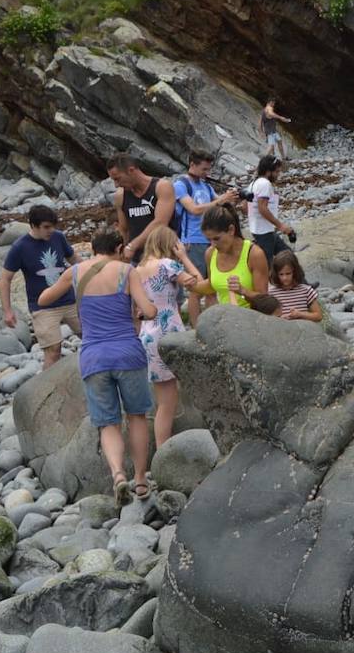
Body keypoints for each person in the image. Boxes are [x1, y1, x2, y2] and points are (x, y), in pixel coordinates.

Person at [38, 228, 158, 504]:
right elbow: (149, 311)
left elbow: (44, 299)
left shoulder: (77, 271)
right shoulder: (127, 271)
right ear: (118, 247)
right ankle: (140, 480)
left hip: (93, 356)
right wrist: (144, 310)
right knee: (137, 416)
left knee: (108, 424)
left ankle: (117, 474)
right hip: (127, 352)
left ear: (93, 249)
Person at [132, 227, 197, 448]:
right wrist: (184, 257)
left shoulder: (137, 270)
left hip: (147, 334)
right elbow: (196, 281)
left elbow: (135, 310)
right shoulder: (168, 265)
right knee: (171, 401)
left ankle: (163, 449)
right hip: (169, 330)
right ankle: (164, 451)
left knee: (164, 402)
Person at [0, 205, 81, 369]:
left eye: (53, 226)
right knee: (53, 351)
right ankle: (46, 391)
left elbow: (75, 261)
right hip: (42, 307)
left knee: (94, 336)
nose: (51, 230)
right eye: (46, 227)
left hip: (70, 300)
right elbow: (4, 280)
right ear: (34, 225)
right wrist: (8, 311)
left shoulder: (58, 237)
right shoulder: (19, 247)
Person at [174, 152, 239, 325]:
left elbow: (219, 204)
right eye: (204, 169)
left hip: (211, 240)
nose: (206, 173)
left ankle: (212, 327)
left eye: (208, 169)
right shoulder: (181, 185)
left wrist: (230, 199)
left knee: (211, 287)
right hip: (193, 241)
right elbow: (193, 209)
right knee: (196, 288)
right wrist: (221, 200)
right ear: (192, 164)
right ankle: (196, 328)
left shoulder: (205, 185)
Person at [107, 153, 182, 265]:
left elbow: (160, 222)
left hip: (165, 258)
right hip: (137, 260)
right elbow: (123, 229)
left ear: (131, 170)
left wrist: (132, 246)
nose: (116, 185)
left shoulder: (162, 187)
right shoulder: (121, 195)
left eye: (118, 179)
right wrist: (120, 253)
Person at [191, 205, 270, 308]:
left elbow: (265, 301)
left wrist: (243, 291)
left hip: (252, 320)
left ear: (231, 230)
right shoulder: (210, 253)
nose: (213, 244)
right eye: (209, 240)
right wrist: (192, 285)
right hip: (226, 319)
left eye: (216, 238)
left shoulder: (254, 254)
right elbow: (212, 285)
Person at [248, 155, 294, 264]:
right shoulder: (265, 184)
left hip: (261, 230)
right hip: (264, 233)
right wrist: (281, 225)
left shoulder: (253, 183)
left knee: (288, 257)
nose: (278, 175)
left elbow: (245, 206)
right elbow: (262, 208)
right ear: (268, 171)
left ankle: (301, 281)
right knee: (267, 265)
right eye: (277, 172)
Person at [268, 251, 322, 322]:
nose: (285, 278)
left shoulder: (306, 291)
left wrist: (300, 314)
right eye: (281, 274)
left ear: (295, 272)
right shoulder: (271, 293)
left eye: (288, 273)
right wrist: (279, 319)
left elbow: (318, 316)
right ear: (276, 274)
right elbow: (267, 318)